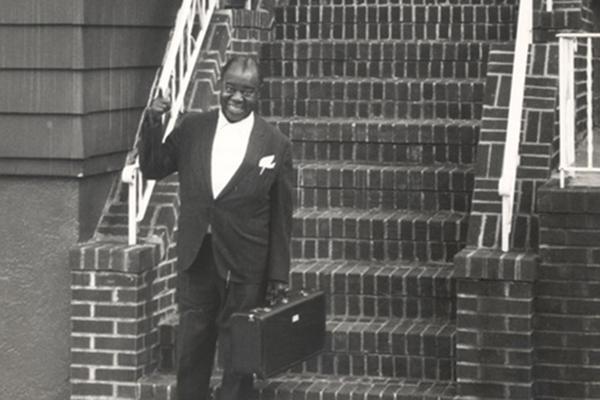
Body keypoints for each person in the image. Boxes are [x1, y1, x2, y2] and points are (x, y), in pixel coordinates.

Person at [138, 55, 293, 400]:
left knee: (239, 354)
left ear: (259, 93)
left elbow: (282, 218)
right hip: (198, 257)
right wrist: (153, 120)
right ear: (220, 88)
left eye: (247, 91)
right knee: (192, 349)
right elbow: (151, 167)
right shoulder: (193, 129)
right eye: (231, 89)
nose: (237, 98)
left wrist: (278, 276)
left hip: (245, 263)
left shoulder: (275, 144)